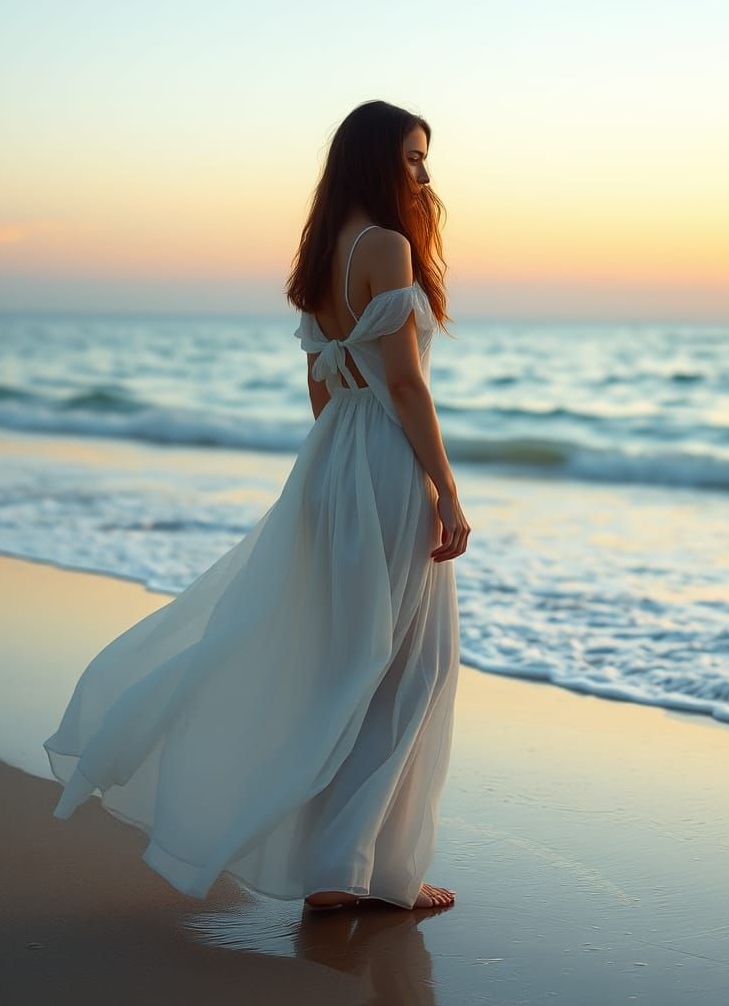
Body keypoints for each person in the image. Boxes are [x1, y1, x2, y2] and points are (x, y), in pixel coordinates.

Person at [43, 99, 470, 914]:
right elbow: (408, 385)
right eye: (414, 157)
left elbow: (320, 385)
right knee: (411, 669)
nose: (424, 174)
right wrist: (443, 489)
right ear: (379, 160)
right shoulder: (386, 246)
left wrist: (337, 469)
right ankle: (362, 871)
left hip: (332, 462)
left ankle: (340, 871)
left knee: (350, 660)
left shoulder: (321, 253)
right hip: (381, 460)